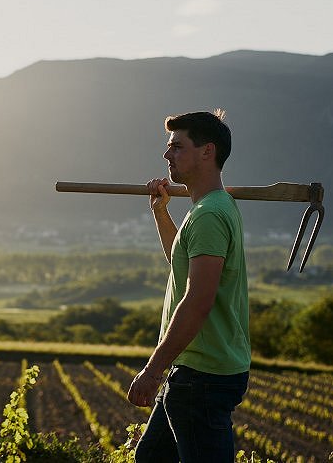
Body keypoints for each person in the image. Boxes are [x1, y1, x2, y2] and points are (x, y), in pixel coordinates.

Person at [127, 110, 250, 462]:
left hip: (202, 376)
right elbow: (179, 263)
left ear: (207, 152)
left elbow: (197, 301)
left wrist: (153, 371)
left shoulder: (210, 214)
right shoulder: (211, 208)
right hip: (195, 370)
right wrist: (160, 211)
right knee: (150, 458)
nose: (167, 156)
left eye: (176, 147)